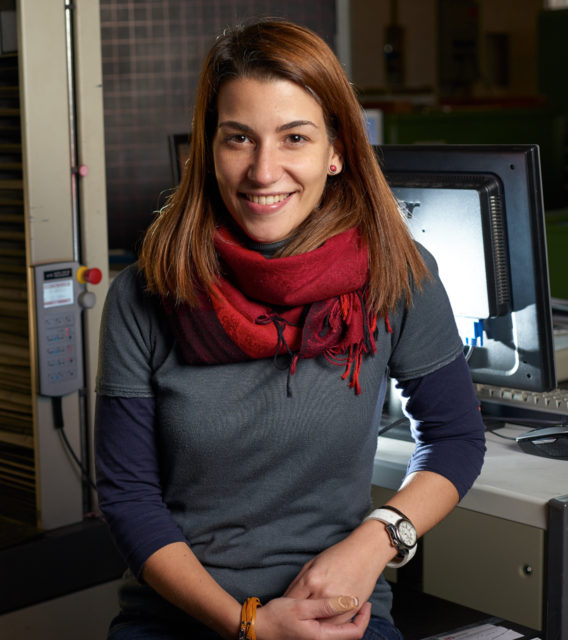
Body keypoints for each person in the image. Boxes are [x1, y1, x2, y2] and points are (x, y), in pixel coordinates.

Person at [95, 18, 486, 640]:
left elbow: (456, 438)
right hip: (180, 617)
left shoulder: (395, 274)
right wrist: (250, 625)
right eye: (239, 138)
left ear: (337, 151)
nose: (263, 170)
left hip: (340, 615)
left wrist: (375, 542)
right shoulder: (144, 294)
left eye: (295, 137)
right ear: (208, 147)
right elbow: (127, 498)